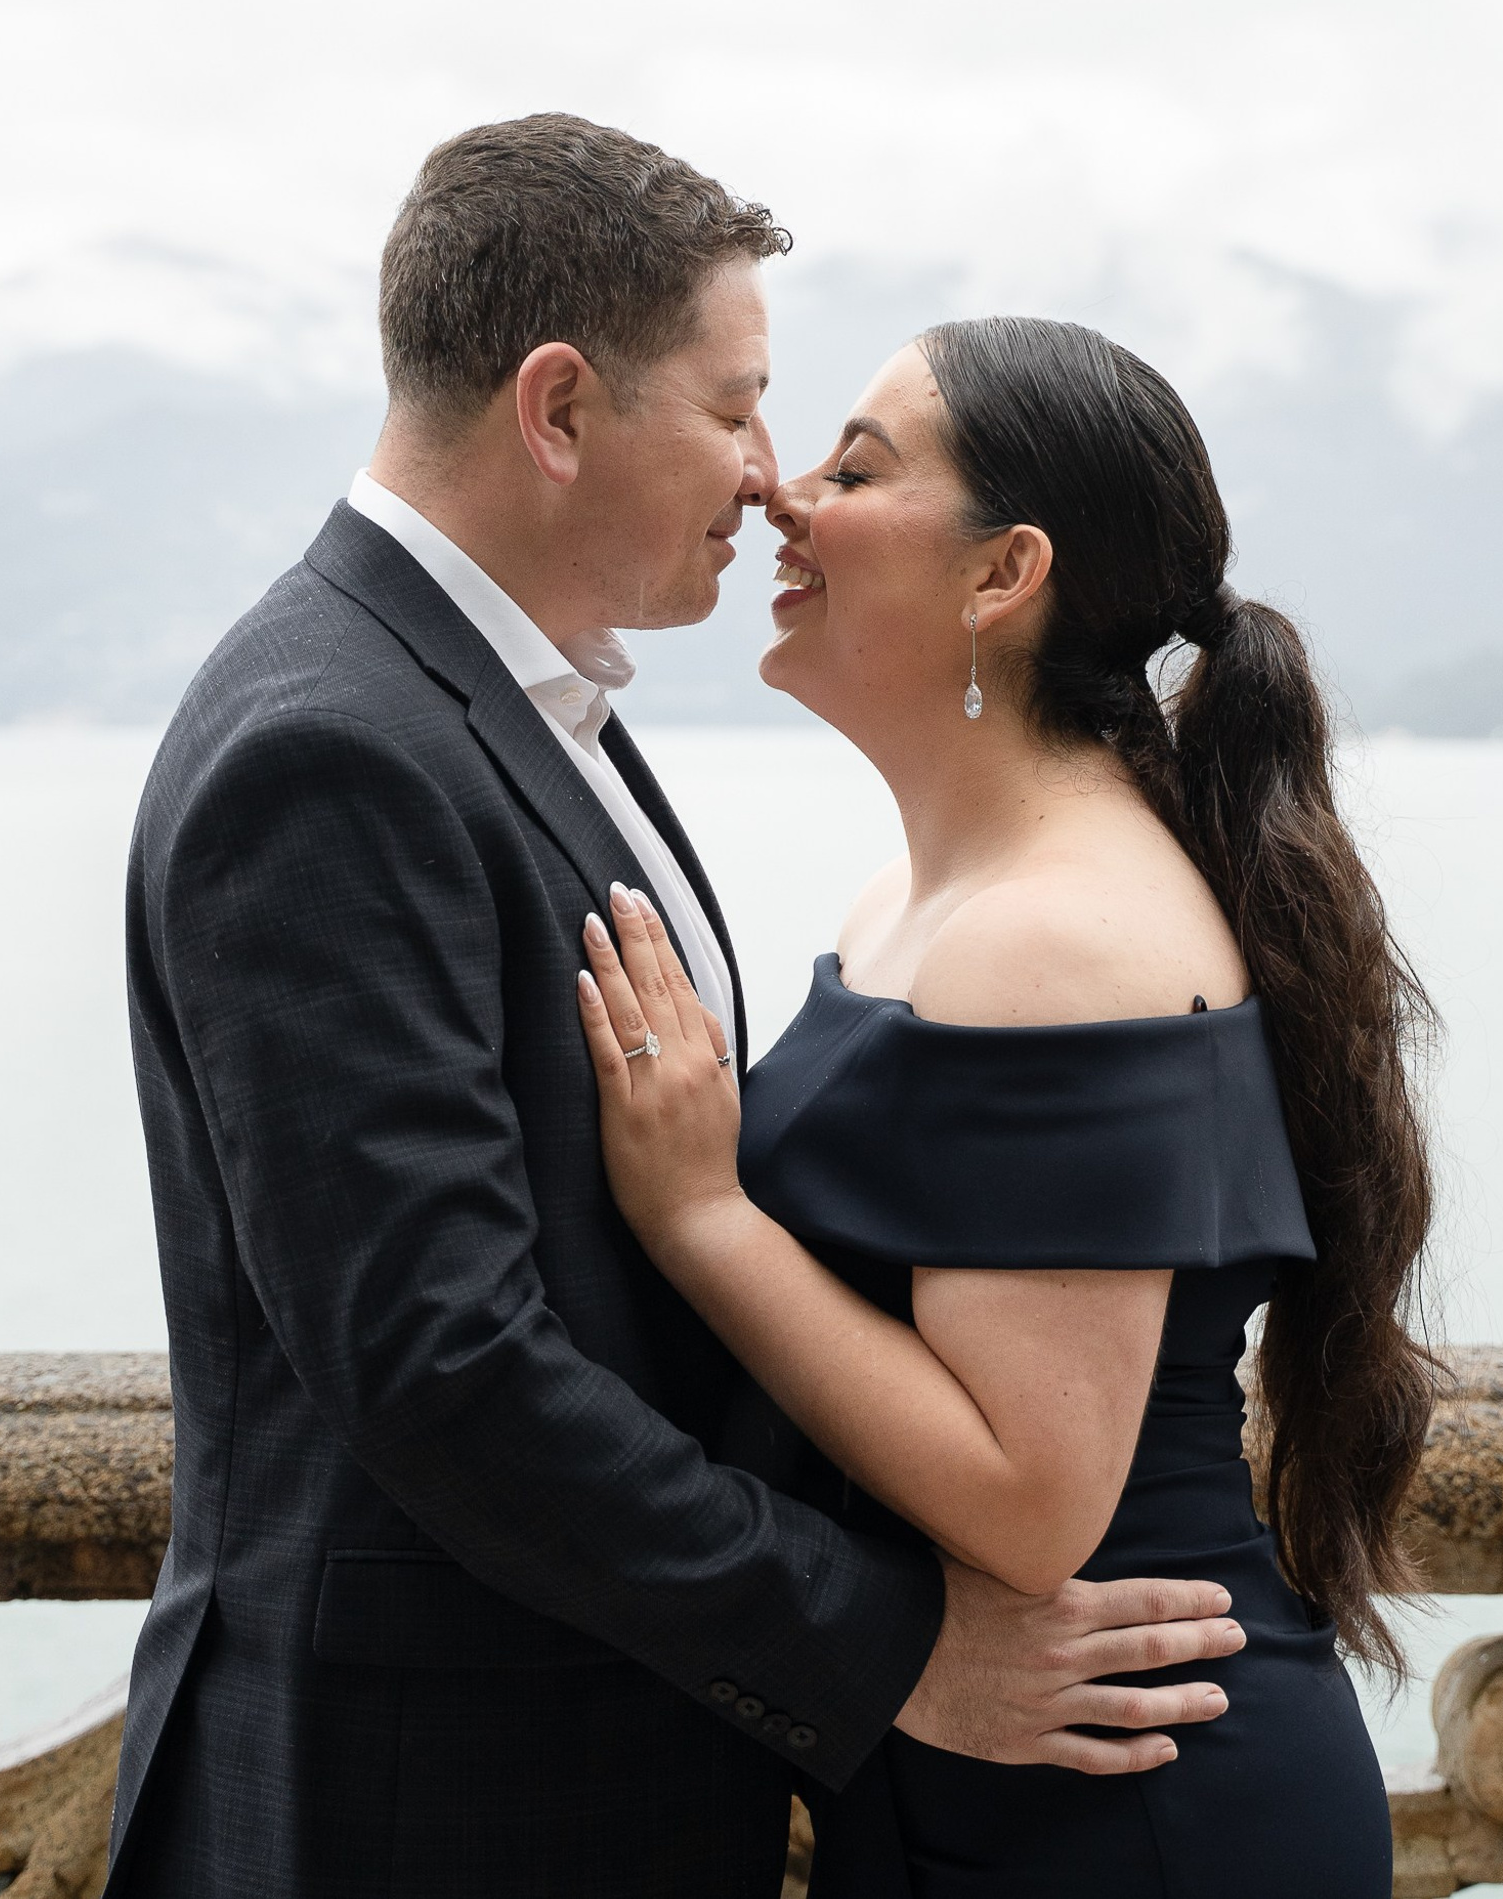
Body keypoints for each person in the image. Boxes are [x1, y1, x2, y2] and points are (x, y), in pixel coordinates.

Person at [106, 125, 1245, 1899]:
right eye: (735, 410)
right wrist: (883, 1649)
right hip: (413, 1814)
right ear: (559, 411)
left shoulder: (507, 701)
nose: (766, 476)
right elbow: (443, 1363)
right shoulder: (331, 749)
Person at [578, 314, 1439, 1896]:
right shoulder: (922, 898)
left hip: (1123, 1791)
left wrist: (700, 1214)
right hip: (991, 1769)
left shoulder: (1059, 936)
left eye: (857, 467)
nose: (783, 494)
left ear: (1002, 575)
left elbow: (1033, 1502)